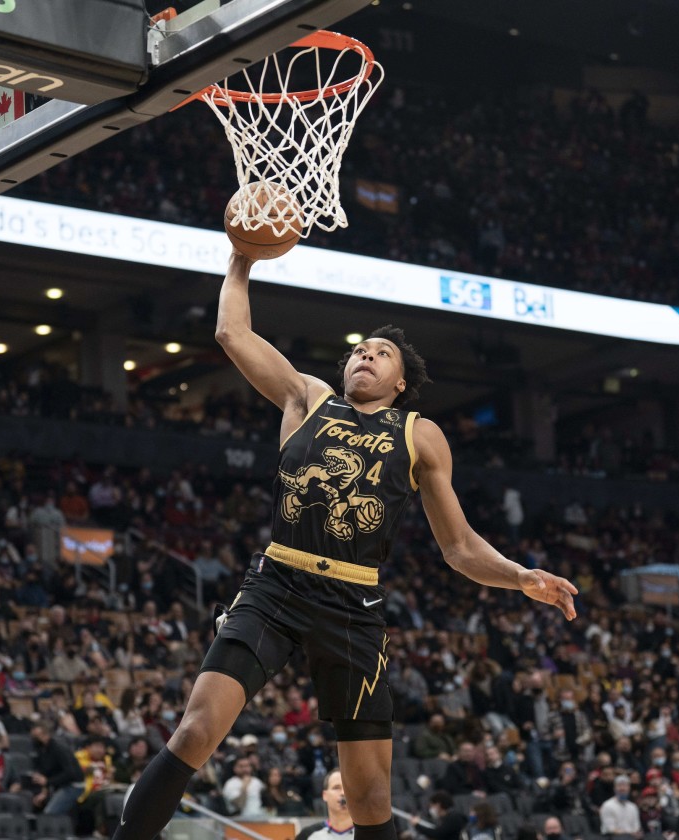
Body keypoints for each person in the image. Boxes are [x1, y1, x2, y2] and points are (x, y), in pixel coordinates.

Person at [109, 251, 577, 840]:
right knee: (195, 732)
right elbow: (232, 331)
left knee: (370, 793)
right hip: (276, 583)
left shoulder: (419, 434)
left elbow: (457, 547)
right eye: (360, 349)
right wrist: (241, 258)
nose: (366, 355)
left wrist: (520, 577)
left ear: (400, 382)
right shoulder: (308, 398)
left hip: (353, 604)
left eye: (382, 353)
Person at [296, 770, 354, 840]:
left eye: (347, 788)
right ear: (325, 795)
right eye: (336, 788)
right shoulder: (307, 835)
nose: (343, 793)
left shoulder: (367, 835)